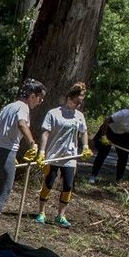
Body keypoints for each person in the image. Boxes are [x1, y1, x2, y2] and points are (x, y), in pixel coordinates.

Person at [0, 78, 45, 232]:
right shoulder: (23, 108)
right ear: (32, 96)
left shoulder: (9, 106)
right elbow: (21, 124)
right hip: (6, 153)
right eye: (40, 98)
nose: (40, 101)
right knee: (3, 194)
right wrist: (32, 143)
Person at [33, 82, 93, 228]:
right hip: (53, 155)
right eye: (76, 102)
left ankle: (61, 215)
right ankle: (41, 212)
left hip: (70, 157)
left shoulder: (79, 116)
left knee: (68, 186)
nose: (78, 105)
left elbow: (83, 131)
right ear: (68, 98)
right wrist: (41, 152)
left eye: (80, 103)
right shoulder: (53, 113)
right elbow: (45, 133)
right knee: (48, 183)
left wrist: (85, 147)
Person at [88, 97, 129, 183]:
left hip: (123, 135)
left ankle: (118, 180)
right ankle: (93, 176)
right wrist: (103, 136)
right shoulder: (125, 114)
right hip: (108, 130)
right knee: (102, 153)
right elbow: (107, 121)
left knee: (123, 157)